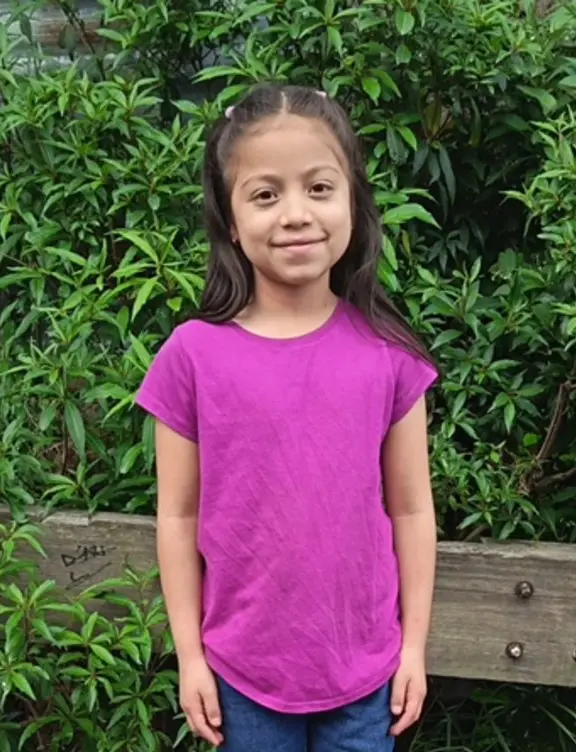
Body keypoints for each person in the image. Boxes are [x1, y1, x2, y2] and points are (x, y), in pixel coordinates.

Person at [136, 84, 438, 752]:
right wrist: (190, 657)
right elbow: (178, 517)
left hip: (367, 675)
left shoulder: (390, 356)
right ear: (229, 219)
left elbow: (413, 509)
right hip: (241, 676)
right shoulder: (191, 356)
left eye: (319, 188)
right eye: (265, 194)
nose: (296, 214)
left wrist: (413, 647)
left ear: (353, 202)